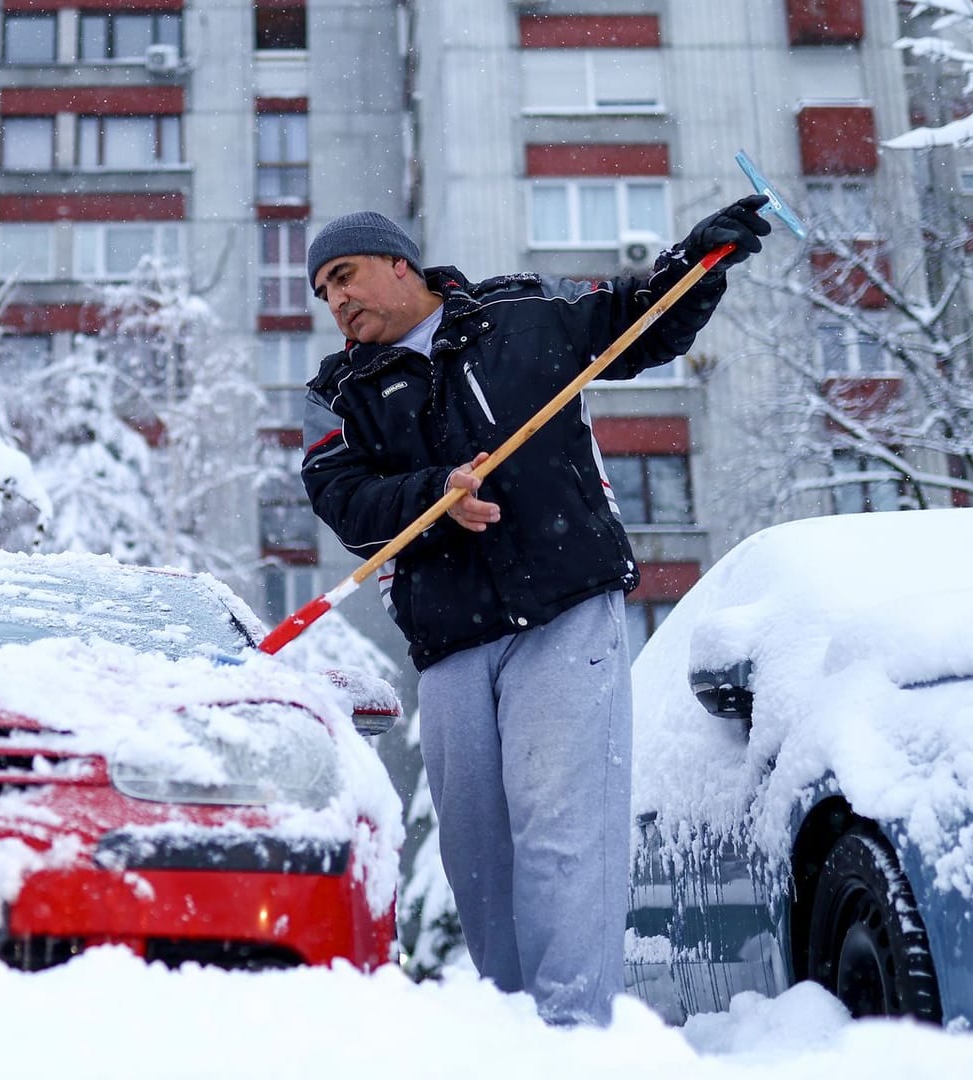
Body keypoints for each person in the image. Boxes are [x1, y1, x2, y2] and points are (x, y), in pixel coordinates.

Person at [298, 198, 769, 1025]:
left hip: (562, 607)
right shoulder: (339, 394)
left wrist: (701, 260)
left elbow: (638, 320)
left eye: (345, 277)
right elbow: (343, 500)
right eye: (323, 292)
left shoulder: (520, 311)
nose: (336, 301)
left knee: (565, 831)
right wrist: (433, 498)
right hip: (449, 641)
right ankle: (508, 1032)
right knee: (477, 856)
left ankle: (572, 1036)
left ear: (398, 264)